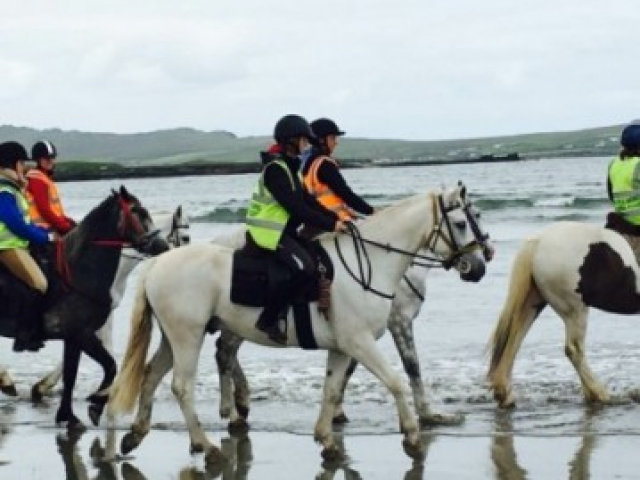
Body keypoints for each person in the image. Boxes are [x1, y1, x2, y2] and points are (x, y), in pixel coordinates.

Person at [245, 114, 347, 343]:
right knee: (304, 268)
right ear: (291, 140)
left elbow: (309, 201)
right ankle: (268, 320)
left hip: (284, 230)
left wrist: (337, 218)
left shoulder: (291, 168)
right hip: (268, 232)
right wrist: (331, 224)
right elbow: (296, 207)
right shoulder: (275, 170)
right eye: (303, 141)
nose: (306, 145)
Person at [0, 141, 56, 352]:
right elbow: (15, 223)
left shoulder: (12, 187)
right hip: (6, 246)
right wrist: (44, 238)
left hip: (17, 244)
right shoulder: (4, 189)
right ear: (14, 163)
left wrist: (45, 234)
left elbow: (27, 222)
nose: (25, 167)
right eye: (22, 162)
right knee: (40, 284)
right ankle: (25, 335)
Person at [303, 118, 374, 221]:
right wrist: (371, 211)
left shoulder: (308, 163)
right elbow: (345, 193)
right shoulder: (324, 164)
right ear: (321, 140)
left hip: (317, 220)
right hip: (334, 220)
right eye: (332, 138)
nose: (336, 143)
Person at [27, 140, 75, 235]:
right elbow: (44, 209)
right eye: (46, 158)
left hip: (50, 225)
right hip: (43, 229)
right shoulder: (37, 179)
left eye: (52, 157)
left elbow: (54, 209)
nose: (51, 161)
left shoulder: (44, 178)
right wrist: (64, 226)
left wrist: (67, 220)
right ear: (37, 160)